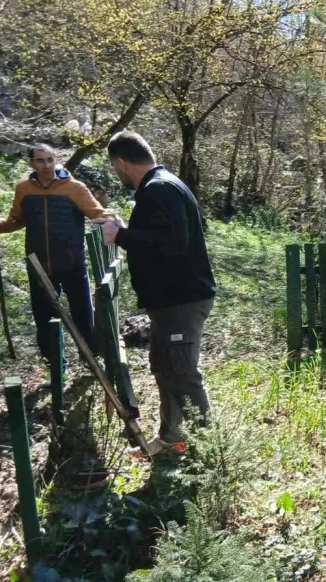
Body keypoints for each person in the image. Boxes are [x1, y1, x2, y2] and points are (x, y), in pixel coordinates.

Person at [100, 131, 216, 456]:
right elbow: (161, 235)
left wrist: (121, 236)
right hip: (170, 299)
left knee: (182, 373)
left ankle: (209, 451)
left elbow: (173, 243)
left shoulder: (158, 188)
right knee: (166, 369)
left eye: (115, 168)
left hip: (181, 299)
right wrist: (127, 231)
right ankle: (171, 440)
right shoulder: (161, 185)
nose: (117, 173)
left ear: (122, 162)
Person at [0, 144, 114, 365]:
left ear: (55, 160)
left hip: (72, 263)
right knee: (44, 318)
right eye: (40, 160)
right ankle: (55, 364)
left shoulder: (74, 188)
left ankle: (91, 359)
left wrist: (114, 220)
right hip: (39, 265)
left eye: (49, 159)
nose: (46, 165)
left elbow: (97, 213)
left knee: (83, 315)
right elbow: (17, 220)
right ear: (31, 163)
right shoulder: (24, 189)